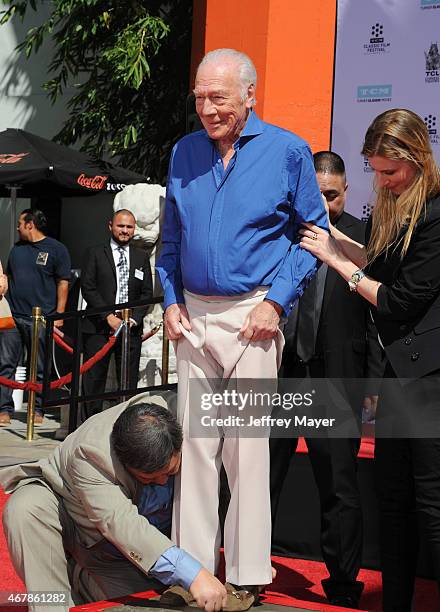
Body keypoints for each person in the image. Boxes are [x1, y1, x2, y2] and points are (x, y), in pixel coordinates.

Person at [156, 48, 328, 594]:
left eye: (219, 98)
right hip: (192, 318)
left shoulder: (287, 151)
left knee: (246, 453)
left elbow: (314, 237)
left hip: (255, 316)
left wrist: (276, 303)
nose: (206, 109)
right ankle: (195, 574)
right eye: (200, 97)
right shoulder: (183, 152)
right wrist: (168, 301)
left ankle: (250, 577)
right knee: (196, 453)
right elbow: (171, 238)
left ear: (250, 95)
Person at [299, 109, 440, 612]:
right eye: (376, 171)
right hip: (398, 380)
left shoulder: (435, 212)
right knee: (393, 506)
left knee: (430, 509)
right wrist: (336, 245)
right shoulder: (392, 209)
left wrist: (338, 262)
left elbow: (400, 300)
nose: (382, 181)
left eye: (390, 172)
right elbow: (379, 264)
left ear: (418, 159)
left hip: (428, 382)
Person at [270, 151, 383, 608]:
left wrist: (373, 390)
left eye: (331, 195)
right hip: (280, 376)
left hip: (335, 382)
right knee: (258, 477)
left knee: (338, 486)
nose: (323, 202)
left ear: (346, 192)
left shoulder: (364, 238)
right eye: (314, 193)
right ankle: (247, 569)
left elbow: (381, 319)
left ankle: (343, 586)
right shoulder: (279, 234)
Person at [0, 393, 228, 612]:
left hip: (124, 557)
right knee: (26, 508)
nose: (161, 482)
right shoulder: (91, 453)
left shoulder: (188, 412)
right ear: (124, 460)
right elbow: (121, 524)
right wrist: (193, 573)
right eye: (148, 478)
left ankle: (81, 582)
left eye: (170, 472)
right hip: (77, 523)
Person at [0, 209, 71, 427]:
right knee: (6, 364)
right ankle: (4, 410)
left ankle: (37, 408)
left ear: (30, 224)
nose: (18, 227)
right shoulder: (17, 250)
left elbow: (63, 282)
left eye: (20, 223)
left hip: (41, 318)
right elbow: (9, 276)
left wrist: (59, 314)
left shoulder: (57, 249)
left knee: (39, 366)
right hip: (12, 316)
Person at [81, 209, 153, 420]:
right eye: (121, 226)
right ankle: (87, 428)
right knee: (93, 382)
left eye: (129, 227)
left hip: (130, 328)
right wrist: (108, 317)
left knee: (127, 383)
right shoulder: (94, 253)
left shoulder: (141, 257)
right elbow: (88, 288)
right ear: (110, 226)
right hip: (98, 327)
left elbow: (147, 293)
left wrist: (134, 318)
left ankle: (125, 427)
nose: (124, 231)